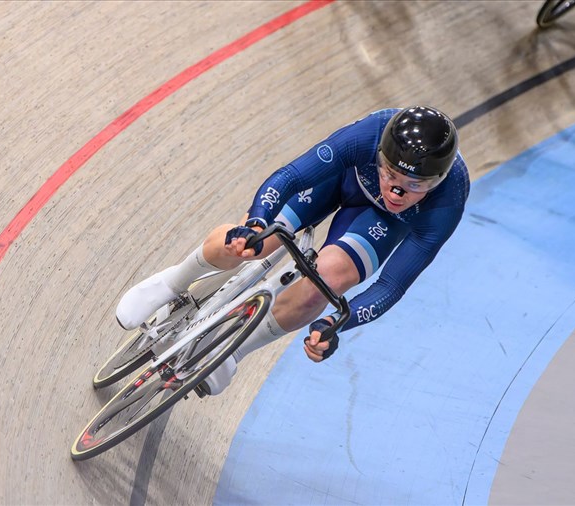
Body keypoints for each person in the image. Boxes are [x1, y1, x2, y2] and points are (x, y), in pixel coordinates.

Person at [115, 106, 470, 395]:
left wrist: (335, 324)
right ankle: (171, 284)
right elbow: (290, 177)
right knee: (250, 246)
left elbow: (392, 286)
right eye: (391, 174)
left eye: (414, 186)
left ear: (437, 182)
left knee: (327, 282)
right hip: (339, 182)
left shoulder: (447, 201)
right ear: (380, 155)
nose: (396, 192)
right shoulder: (367, 136)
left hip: (379, 223)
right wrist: (255, 223)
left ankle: (232, 352)